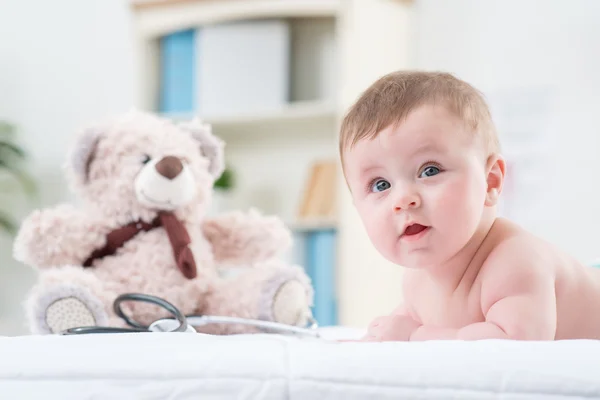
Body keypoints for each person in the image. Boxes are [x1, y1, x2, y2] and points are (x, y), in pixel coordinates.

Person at [339, 70, 600, 341]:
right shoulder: (417, 282)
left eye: (429, 170)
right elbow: (404, 323)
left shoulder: (516, 261)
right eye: (381, 185)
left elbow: (517, 345)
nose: (403, 199)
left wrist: (416, 336)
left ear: (490, 181)